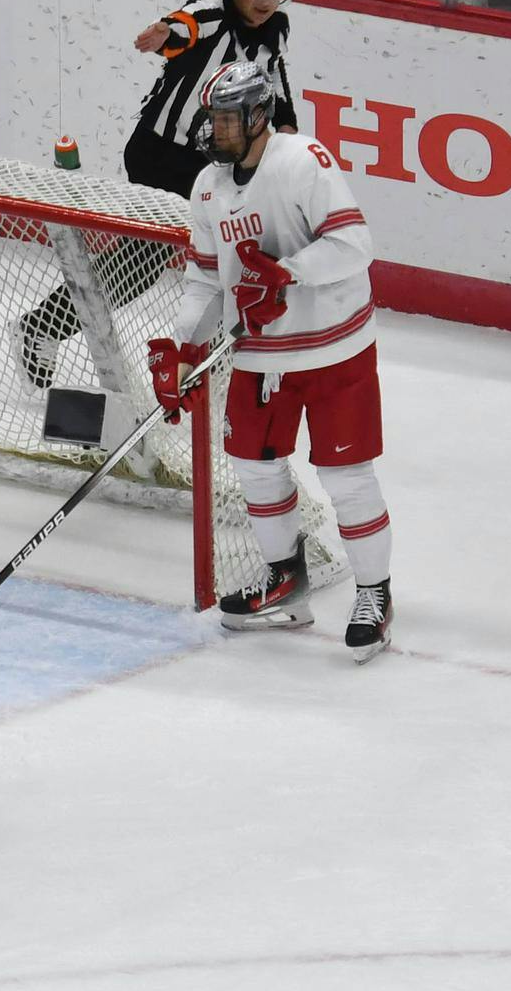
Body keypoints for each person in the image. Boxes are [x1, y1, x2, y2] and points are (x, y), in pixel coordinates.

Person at [149, 60, 394, 663]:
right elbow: (206, 277)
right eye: (214, 119)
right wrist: (183, 349)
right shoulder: (208, 186)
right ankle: (286, 581)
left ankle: (374, 594)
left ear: (260, 115)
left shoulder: (302, 160)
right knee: (254, 466)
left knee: (345, 477)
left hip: (335, 345)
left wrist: (288, 273)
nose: (218, 130)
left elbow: (356, 243)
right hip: (260, 352)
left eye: (228, 118)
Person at [14, 0, 298, 388]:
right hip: (162, 158)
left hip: (215, 170)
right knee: (143, 265)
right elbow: (184, 25)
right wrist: (166, 33)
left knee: (239, 256)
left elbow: (279, 94)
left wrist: (289, 142)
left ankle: (226, 362)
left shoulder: (274, 33)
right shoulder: (212, 13)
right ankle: (40, 327)